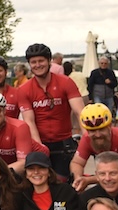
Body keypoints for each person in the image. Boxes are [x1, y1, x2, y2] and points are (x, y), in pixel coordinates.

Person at [17, 42, 85, 177]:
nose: (38, 65)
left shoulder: (65, 82)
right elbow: (29, 121)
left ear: (49, 61)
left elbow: (80, 112)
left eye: (41, 61)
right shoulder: (24, 89)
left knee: (65, 181)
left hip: (64, 141)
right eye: (33, 62)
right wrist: (39, 147)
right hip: (40, 141)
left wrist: (86, 139)